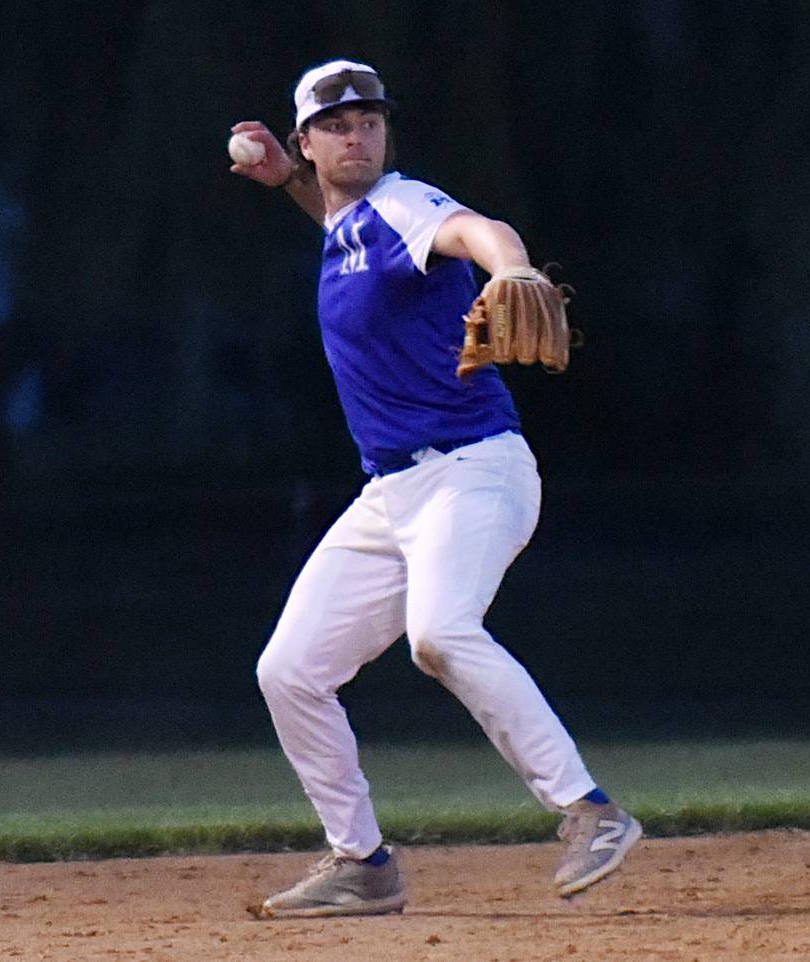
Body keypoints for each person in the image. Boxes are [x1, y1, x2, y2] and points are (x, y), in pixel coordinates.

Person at [230, 58, 640, 918]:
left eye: (370, 120)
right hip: (391, 498)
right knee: (290, 670)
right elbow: (344, 218)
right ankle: (362, 862)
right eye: (337, 125)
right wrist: (283, 184)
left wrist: (513, 269)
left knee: (441, 633)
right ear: (308, 141)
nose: (358, 134)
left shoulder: (405, 203)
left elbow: (476, 230)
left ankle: (590, 812)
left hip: (474, 471)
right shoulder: (348, 227)